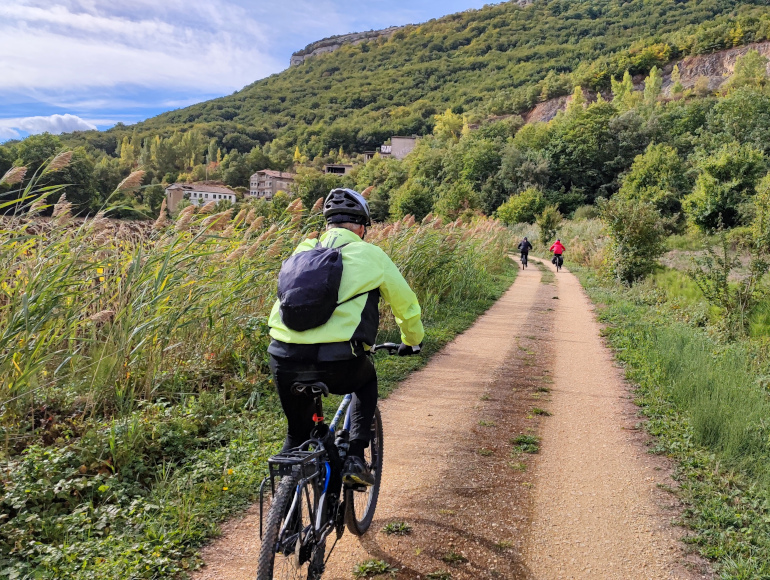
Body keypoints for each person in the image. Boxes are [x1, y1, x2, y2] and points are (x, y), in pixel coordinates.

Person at [267, 188, 424, 487]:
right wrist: (412, 340)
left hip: (283, 357)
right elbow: (407, 306)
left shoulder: (302, 251)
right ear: (362, 228)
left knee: (296, 434)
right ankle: (354, 456)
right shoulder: (371, 254)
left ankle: (282, 521)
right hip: (338, 362)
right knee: (366, 381)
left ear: (326, 225)